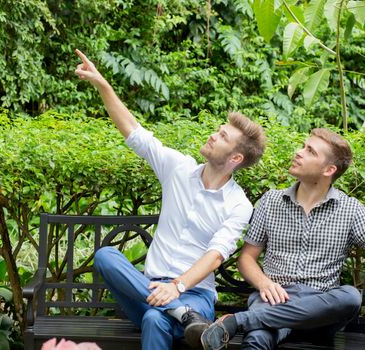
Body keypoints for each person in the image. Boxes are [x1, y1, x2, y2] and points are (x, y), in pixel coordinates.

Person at [74, 49, 266, 350]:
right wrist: (103, 85)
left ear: (235, 158)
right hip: (146, 289)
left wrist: (176, 287)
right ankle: (182, 315)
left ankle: (180, 310)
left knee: (154, 320)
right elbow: (135, 133)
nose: (214, 136)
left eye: (223, 137)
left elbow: (217, 254)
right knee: (106, 257)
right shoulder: (178, 167)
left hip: (195, 295)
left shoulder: (239, 204)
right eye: (218, 131)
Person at [198, 128, 365, 350]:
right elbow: (247, 258)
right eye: (303, 146)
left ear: (328, 170)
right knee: (257, 340)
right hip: (274, 299)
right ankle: (250, 321)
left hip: (319, 312)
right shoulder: (270, 201)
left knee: (349, 297)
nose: (299, 152)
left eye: (310, 151)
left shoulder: (350, 210)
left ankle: (238, 321)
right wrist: (264, 283)